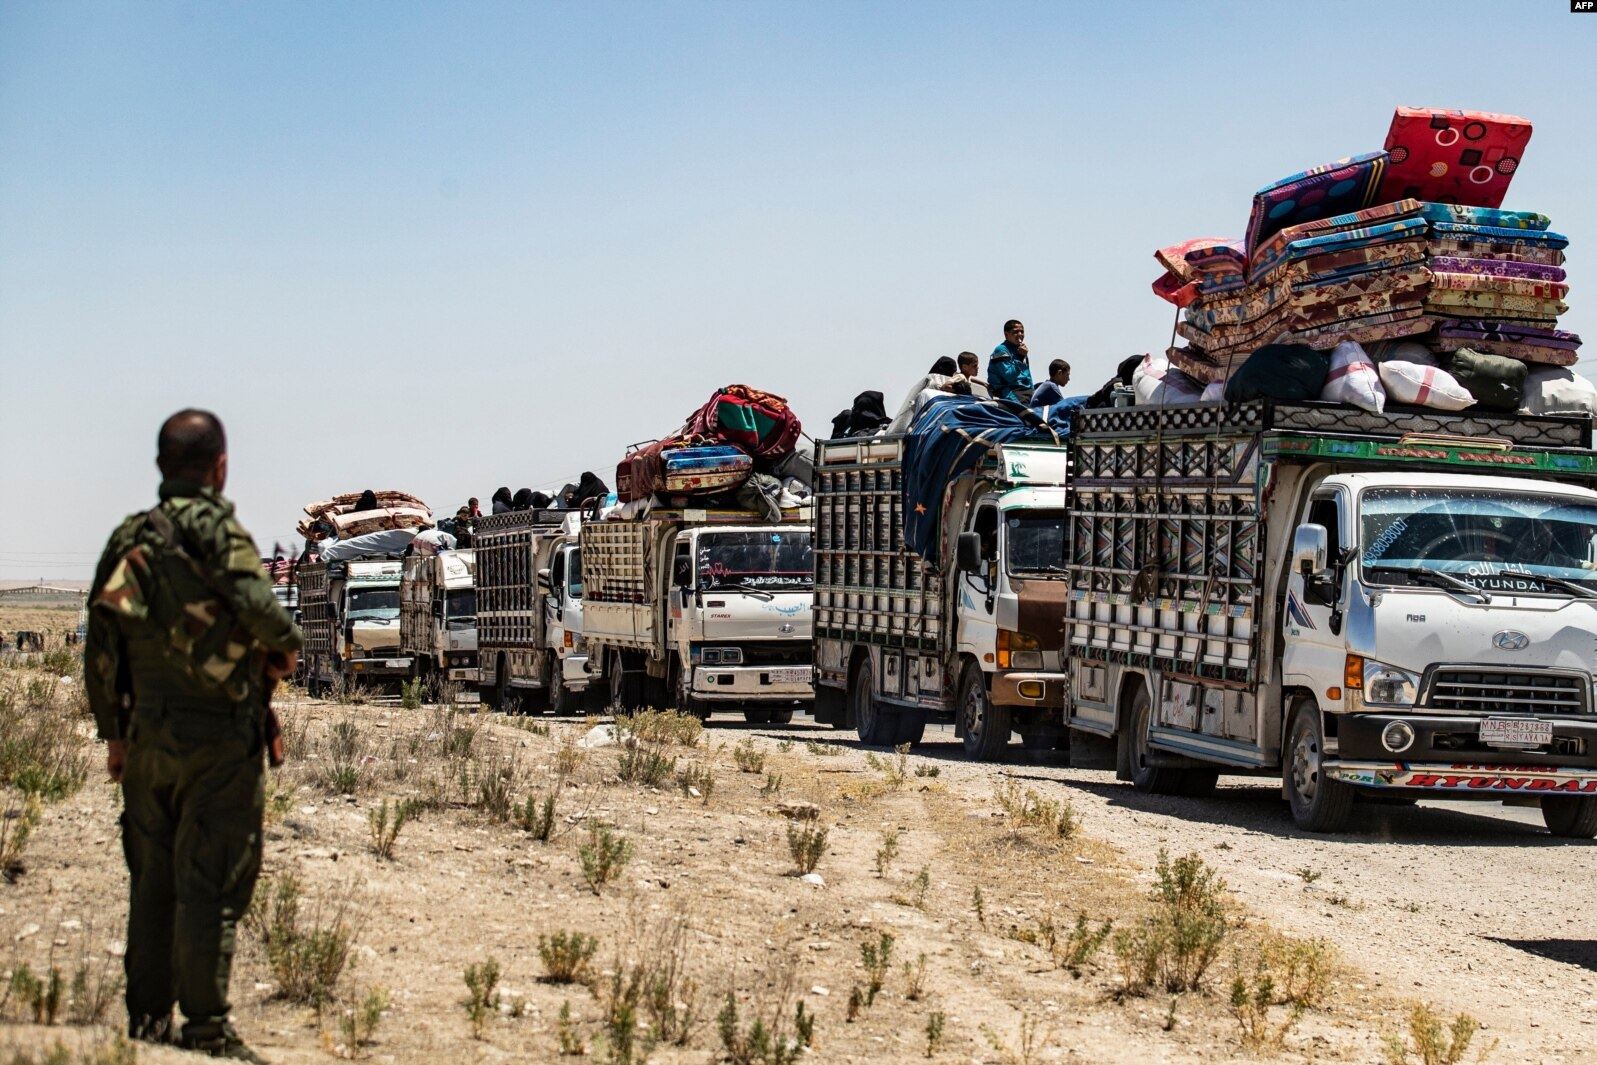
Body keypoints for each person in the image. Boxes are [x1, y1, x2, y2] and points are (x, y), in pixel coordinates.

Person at [85, 410, 300, 1061]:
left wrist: (114, 735)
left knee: (152, 877)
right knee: (211, 876)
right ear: (220, 467)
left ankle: (149, 1018)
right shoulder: (217, 532)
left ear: (160, 467)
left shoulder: (129, 537)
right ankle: (205, 1025)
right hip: (217, 741)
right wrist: (285, 645)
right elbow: (265, 615)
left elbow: (101, 642)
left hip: (147, 737)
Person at [988, 320, 1033, 403]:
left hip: (1025, 391)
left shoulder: (1020, 350)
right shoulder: (1001, 350)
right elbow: (1009, 377)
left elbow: (1027, 376)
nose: (1020, 334)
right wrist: (1020, 358)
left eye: (1022, 331)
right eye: (1015, 332)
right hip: (1009, 391)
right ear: (1006, 335)